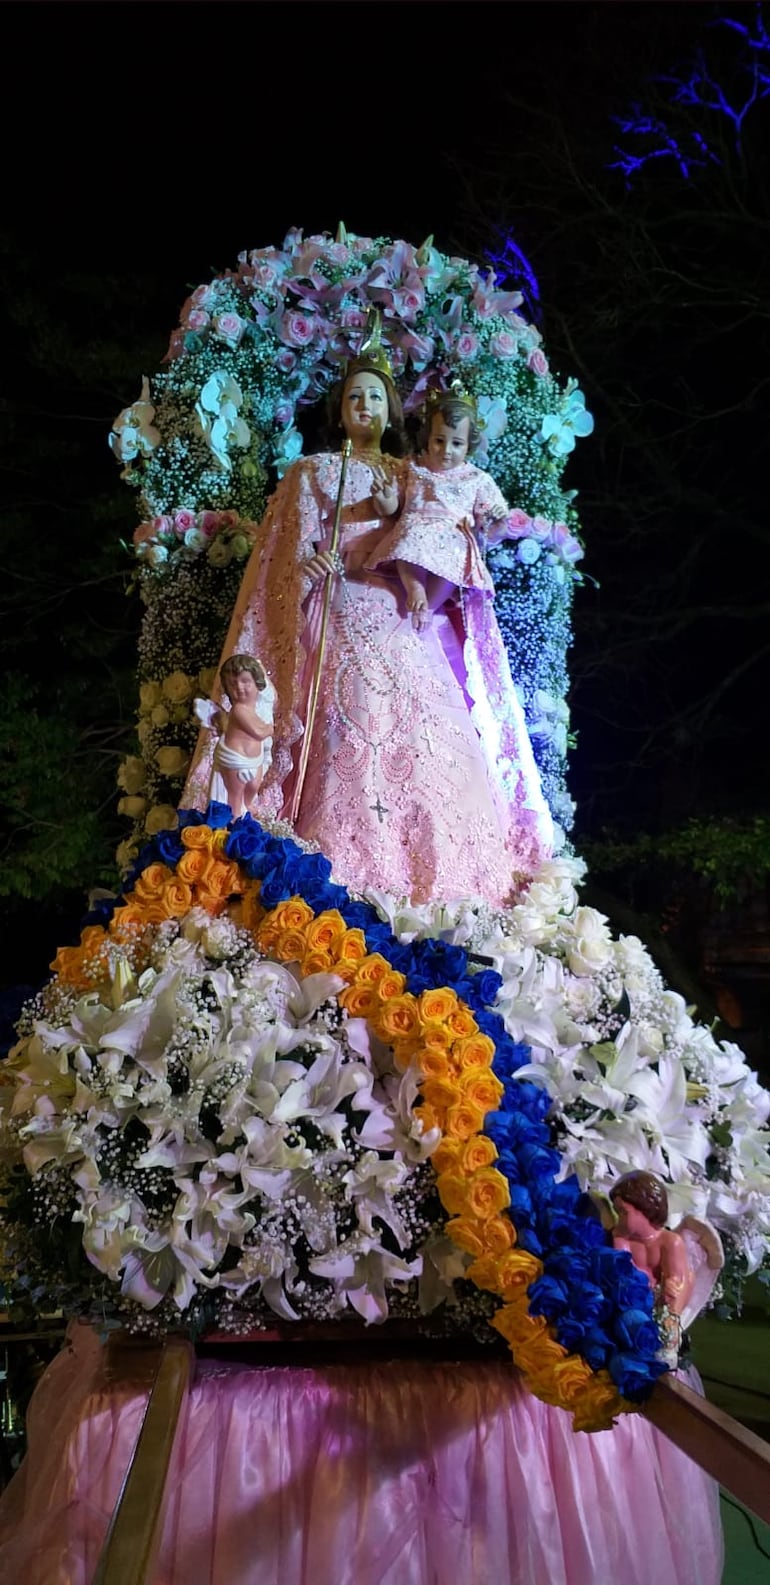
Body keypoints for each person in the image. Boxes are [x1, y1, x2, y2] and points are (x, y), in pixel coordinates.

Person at [182, 351, 554, 905]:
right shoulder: (312, 471)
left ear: (392, 410)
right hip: (340, 607)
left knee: (428, 728)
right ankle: (338, 865)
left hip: (402, 609)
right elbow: (283, 553)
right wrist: (308, 566)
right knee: (348, 720)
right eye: (355, 395)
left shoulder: (413, 472)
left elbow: (443, 528)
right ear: (339, 408)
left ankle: (441, 871)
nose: (365, 405)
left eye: (376, 395)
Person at [368, 383, 510, 633]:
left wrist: (495, 520)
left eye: (457, 444)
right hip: (415, 531)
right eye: (439, 441)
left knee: (457, 557)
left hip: (453, 538)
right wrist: (386, 497)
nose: (446, 451)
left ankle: (428, 608)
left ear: (468, 445)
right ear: (427, 437)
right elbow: (393, 508)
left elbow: (487, 525)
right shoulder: (413, 467)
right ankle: (415, 589)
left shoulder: (477, 479)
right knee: (408, 536)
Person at [610, 1170, 696, 1362]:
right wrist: (618, 1240)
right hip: (635, 1305)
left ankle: (668, 1338)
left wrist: (671, 1309)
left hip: (663, 1304)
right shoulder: (623, 1239)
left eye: (623, 1212)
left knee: (681, 1282)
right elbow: (623, 1273)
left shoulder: (669, 1241)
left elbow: (678, 1279)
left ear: (646, 1208)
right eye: (617, 1212)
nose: (619, 1219)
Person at [193, 653, 275, 819]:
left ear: (257, 683)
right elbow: (258, 732)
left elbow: (263, 718)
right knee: (235, 795)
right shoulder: (238, 711)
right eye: (232, 684)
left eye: (245, 681)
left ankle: (247, 805)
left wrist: (266, 727)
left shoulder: (252, 709)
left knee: (254, 785)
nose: (239, 687)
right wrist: (269, 729)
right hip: (235, 761)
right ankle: (235, 819)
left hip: (254, 760)